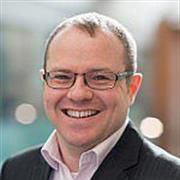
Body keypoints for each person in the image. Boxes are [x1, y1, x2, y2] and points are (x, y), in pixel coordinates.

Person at [1, 12, 180, 180]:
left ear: (131, 88)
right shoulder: (15, 170)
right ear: (44, 83)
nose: (78, 94)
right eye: (62, 77)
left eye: (100, 77)